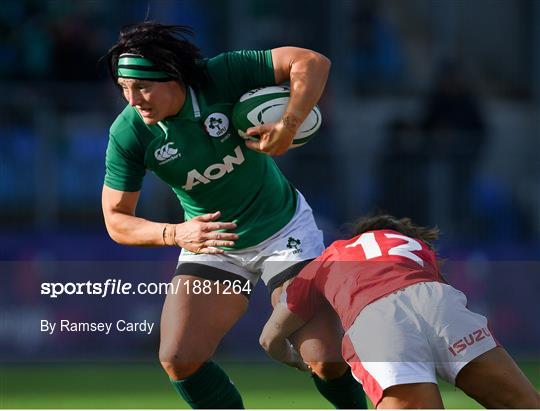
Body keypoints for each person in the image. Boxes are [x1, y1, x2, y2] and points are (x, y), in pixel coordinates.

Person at [102, 22, 366, 409]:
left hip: (283, 231)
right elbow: (116, 219)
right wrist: (175, 234)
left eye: (142, 86)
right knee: (179, 358)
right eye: (124, 88)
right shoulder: (129, 133)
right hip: (212, 242)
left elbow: (312, 62)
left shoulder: (221, 75)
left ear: (172, 76)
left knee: (324, 359)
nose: (133, 99)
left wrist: (288, 124)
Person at [260, 214, 540, 409]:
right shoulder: (414, 248)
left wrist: (292, 358)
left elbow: (270, 337)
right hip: (438, 301)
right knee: (524, 405)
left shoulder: (326, 260)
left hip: (377, 321)